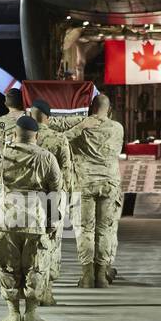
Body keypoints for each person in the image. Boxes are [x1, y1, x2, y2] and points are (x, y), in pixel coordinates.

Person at [0, 114, 63, 321]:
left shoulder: (1, 154)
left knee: (7, 265)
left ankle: (12, 313)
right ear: (36, 136)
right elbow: (55, 191)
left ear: (14, 134)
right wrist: (52, 221)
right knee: (35, 266)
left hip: (7, 220)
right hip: (35, 221)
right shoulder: (46, 157)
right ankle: (31, 313)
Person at [60, 93, 124, 287]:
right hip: (109, 185)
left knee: (85, 230)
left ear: (90, 108)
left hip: (84, 184)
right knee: (104, 230)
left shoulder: (81, 126)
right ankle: (102, 276)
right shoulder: (117, 128)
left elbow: (59, 140)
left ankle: (87, 276)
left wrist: (80, 125)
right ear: (109, 109)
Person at [29, 100, 74, 306]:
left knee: (30, 244)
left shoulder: (23, 137)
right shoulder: (58, 138)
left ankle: (31, 291)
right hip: (53, 198)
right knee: (52, 243)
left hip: (29, 199)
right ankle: (46, 291)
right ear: (48, 117)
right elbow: (66, 171)